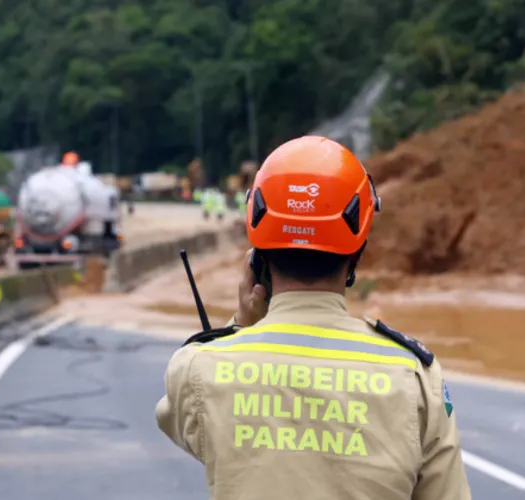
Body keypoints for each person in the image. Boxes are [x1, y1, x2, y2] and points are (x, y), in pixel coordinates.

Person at [155, 136, 472, 500]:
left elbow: (196, 431)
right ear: (359, 244)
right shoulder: (415, 379)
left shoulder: (198, 369)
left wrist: (242, 328)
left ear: (257, 253)